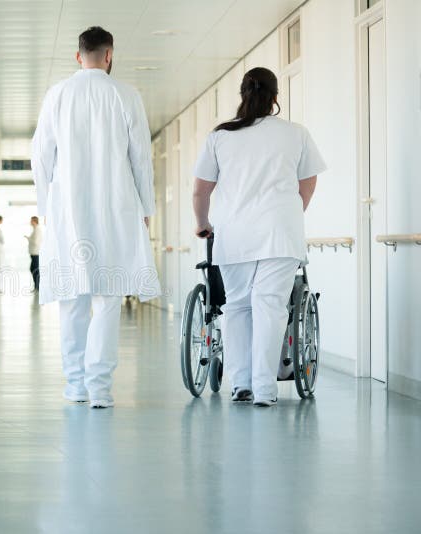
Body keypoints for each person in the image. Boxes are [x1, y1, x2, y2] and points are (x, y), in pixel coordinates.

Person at [32, 26, 161, 409]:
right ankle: (100, 388)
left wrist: (46, 207)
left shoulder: (57, 95)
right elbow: (141, 157)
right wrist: (146, 208)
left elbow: (41, 156)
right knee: (107, 299)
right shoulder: (126, 95)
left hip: (68, 212)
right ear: (109, 55)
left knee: (72, 298)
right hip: (115, 209)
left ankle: (75, 385)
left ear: (78, 56)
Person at [192, 67, 326, 407]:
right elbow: (307, 186)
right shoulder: (296, 133)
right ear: (276, 97)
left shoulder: (220, 136)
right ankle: (265, 389)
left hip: (234, 234)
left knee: (237, 307)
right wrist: (290, 214)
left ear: (242, 95)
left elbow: (200, 190)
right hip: (280, 233)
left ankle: (241, 384)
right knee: (270, 306)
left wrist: (202, 222)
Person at [24, 216, 43, 292]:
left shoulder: (37, 230)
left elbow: (36, 242)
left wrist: (28, 238)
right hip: (33, 253)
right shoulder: (35, 229)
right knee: (34, 269)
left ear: (35, 221)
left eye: (31, 221)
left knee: (35, 270)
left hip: (36, 253)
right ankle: (37, 287)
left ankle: (38, 287)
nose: (30, 222)